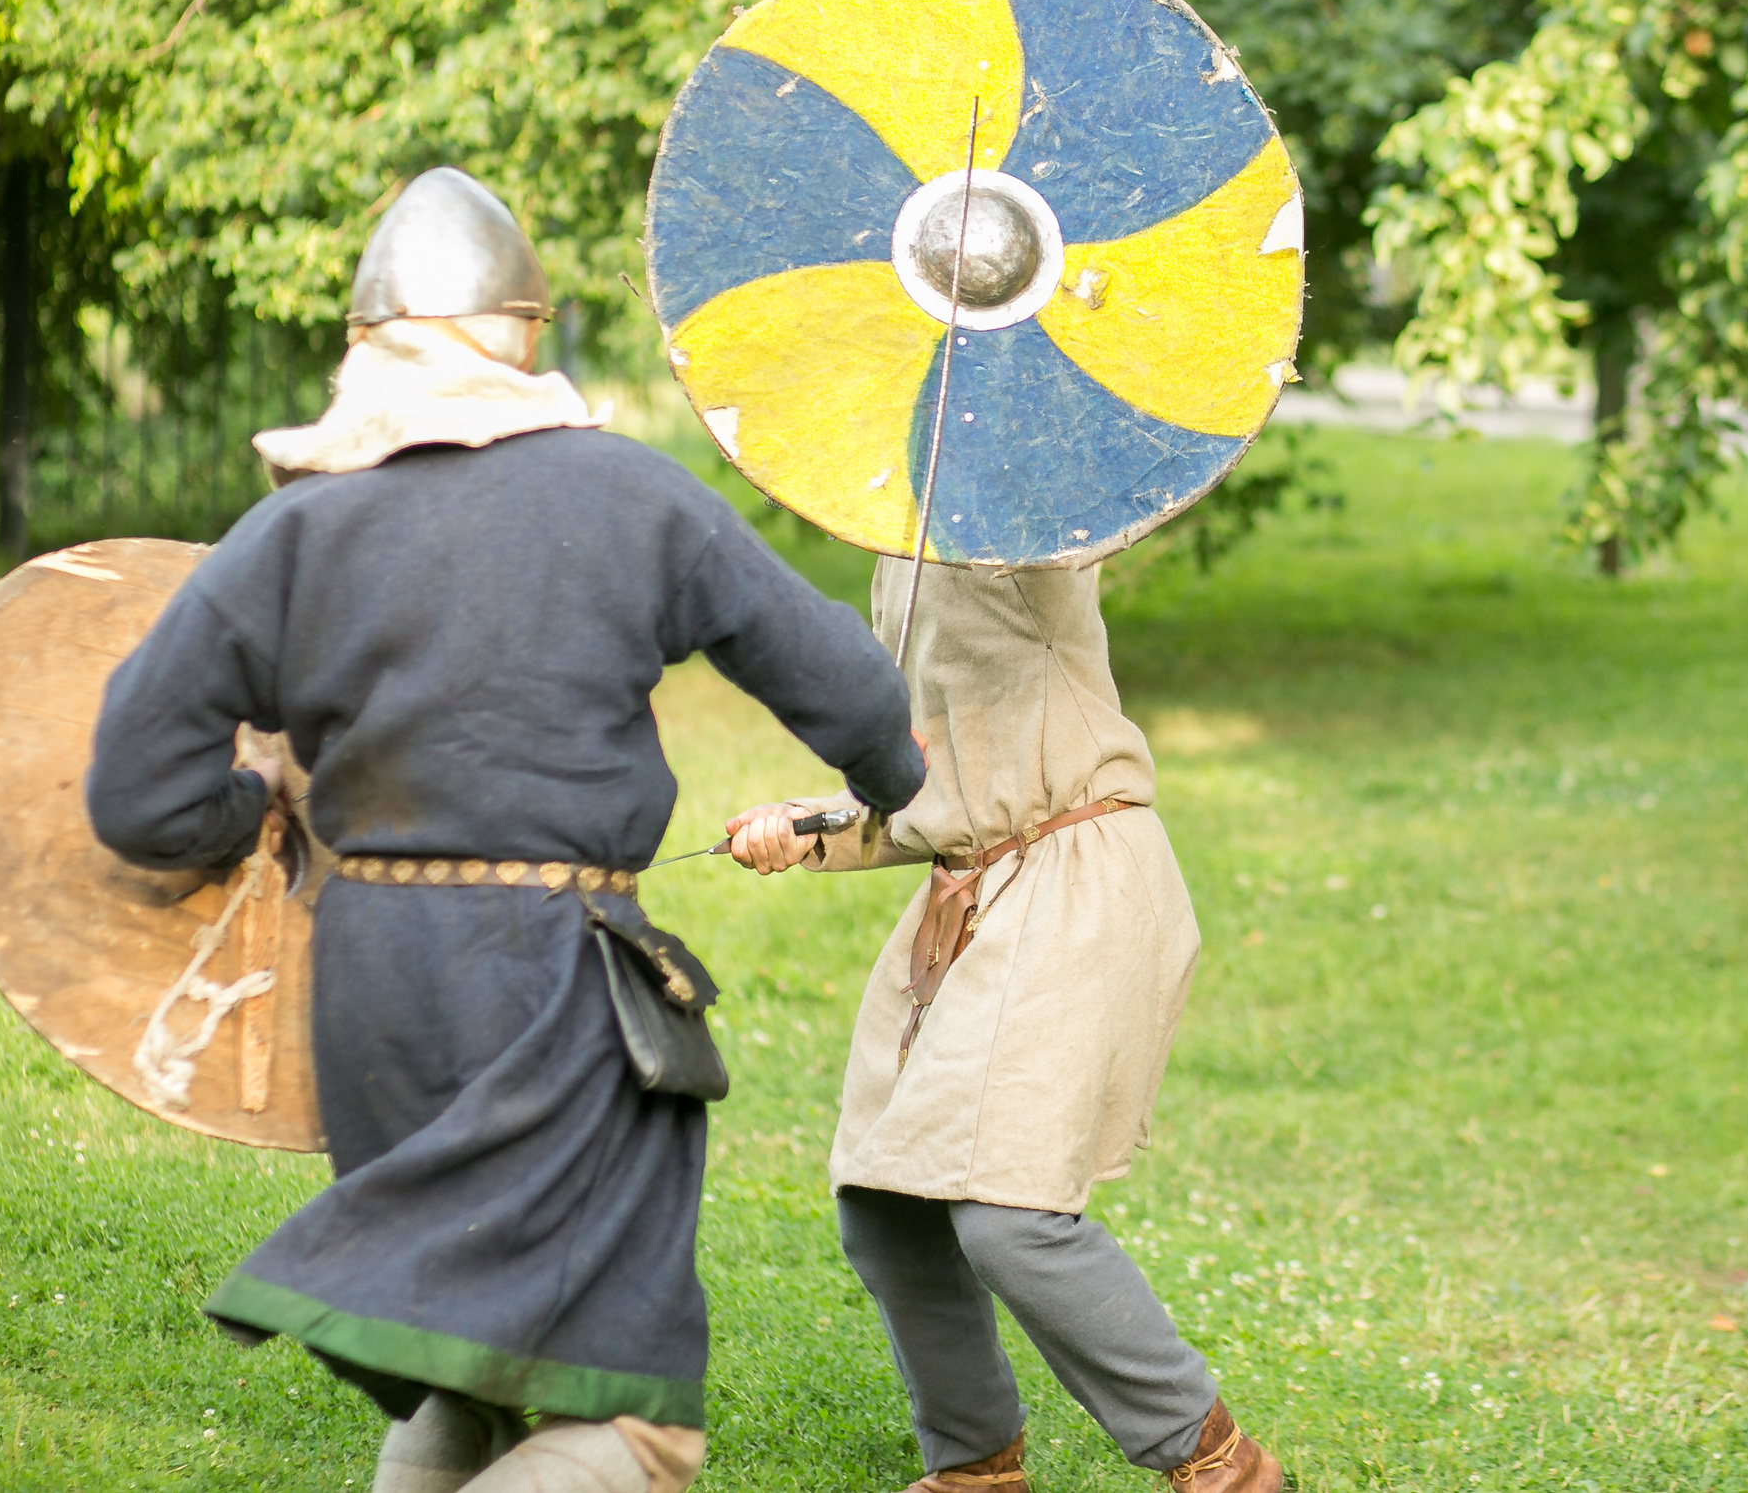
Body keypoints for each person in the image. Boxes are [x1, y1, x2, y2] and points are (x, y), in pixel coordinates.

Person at [87, 167, 926, 1493]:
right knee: (629, 1417)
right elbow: (860, 694)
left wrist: (252, 805)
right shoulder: (632, 499)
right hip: (555, 984)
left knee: (472, 1363)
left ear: (366, 343)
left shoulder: (291, 529)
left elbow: (137, 796)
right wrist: (890, 779)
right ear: (525, 337)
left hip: (367, 994)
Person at [723, 558, 1281, 1493]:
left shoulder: (1031, 531)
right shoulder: (900, 546)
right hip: (975, 893)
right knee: (884, 1202)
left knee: (1010, 1217)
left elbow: (1082, 517)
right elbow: (923, 784)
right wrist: (807, 823)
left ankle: (1218, 1460)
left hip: (1077, 873)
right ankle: (977, 1467)